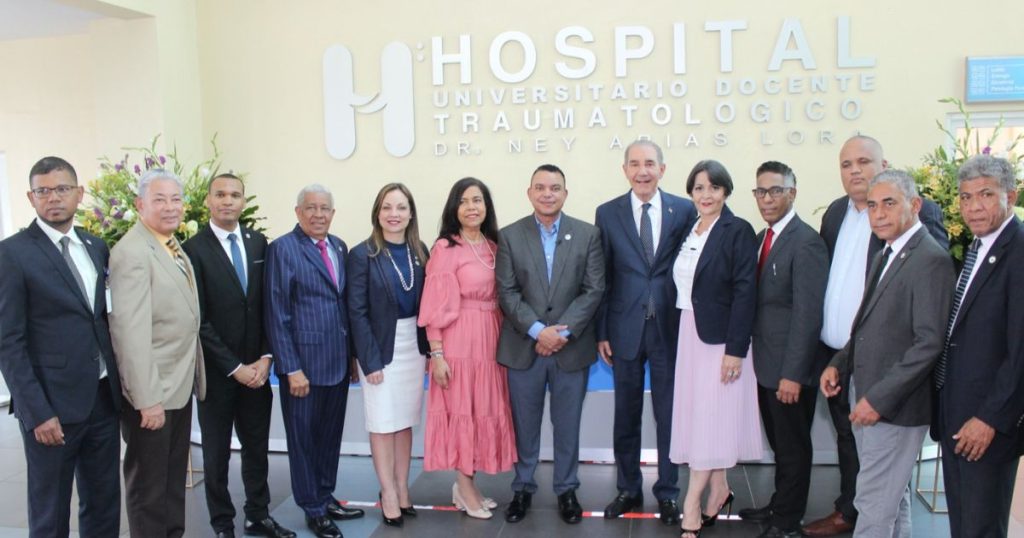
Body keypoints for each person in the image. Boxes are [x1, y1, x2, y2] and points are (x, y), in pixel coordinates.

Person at [810, 135, 948, 536]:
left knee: (872, 504)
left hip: (893, 405)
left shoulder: (930, 259)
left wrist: (878, 399)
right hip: (864, 387)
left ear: (915, 206)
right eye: (872, 205)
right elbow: (866, 322)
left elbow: (928, 343)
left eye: (889, 203)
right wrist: (838, 363)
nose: (879, 214)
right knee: (892, 499)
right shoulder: (886, 251)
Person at [0, 157, 122, 537]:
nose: (53, 198)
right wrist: (37, 412)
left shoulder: (96, 246)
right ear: (31, 198)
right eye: (43, 191)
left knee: (103, 503)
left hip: (102, 398)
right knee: (51, 512)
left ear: (79, 193)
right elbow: (8, 341)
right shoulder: (12, 253)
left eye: (62, 189)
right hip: (51, 406)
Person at [181, 173, 294, 538]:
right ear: (208, 201)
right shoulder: (192, 249)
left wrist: (265, 357)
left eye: (234, 195)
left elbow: (267, 305)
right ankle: (222, 524)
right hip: (218, 374)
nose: (227, 200)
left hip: (258, 371)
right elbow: (198, 319)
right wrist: (233, 367)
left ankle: (258, 515)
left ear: (243, 201)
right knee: (215, 455)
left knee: (256, 449)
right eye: (220, 194)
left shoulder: (258, 242)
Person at [495, 164, 606, 525]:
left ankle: (567, 489)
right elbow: (507, 292)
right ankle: (523, 488)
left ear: (565, 193)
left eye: (555, 188)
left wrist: (560, 333)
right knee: (524, 424)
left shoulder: (588, 234)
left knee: (567, 423)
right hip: (523, 347)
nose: (547, 194)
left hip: (570, 348)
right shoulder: (509, 236)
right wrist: (537, 330)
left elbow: (593, 289)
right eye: (540, 187)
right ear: (529, 193)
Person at [594, 140, 697, 526]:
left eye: (650, 163)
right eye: (635, 164)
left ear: (662, 169)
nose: (642, 171)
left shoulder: (684, 209)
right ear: (625, 170)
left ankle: (668, 492)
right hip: (624, 328)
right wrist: (602, 330)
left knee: (669, 415)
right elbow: (602, 275)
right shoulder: (607, 213)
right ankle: (628, 488)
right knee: (626, 414)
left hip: (670, 328)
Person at [109, 168, 208, 537]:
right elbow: (129, 334)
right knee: (149, 489)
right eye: (160, 200)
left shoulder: (170, 244)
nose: (170, 207)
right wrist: (147, 399)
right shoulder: (132, 252)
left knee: (171, 483)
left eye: (176, 199)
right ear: (140, 205)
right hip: (152, 394)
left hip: (177, 386)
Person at [668, 160, 763, 538]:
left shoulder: (737, 230)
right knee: (703, 419)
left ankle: (691, 504)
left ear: (726, 191)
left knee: (710, 420)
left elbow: (745, 292)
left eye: (714, 188)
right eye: (698, 188)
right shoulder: (689, 228)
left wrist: (736, 350)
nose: (706, 195)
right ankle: (720, 487)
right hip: (689, 333)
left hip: (721, 342)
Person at [264, 184, 364, 538]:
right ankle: (313, 508)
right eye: (311, 207)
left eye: (325, 208)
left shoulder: (339, 246)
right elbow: (277, 313)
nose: (318, 214)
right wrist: (291, 368)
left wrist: (352, 356)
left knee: (329, 438)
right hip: (302, 368)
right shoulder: (282, 249)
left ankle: (325, 495)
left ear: (332, 214)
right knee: (304, 440)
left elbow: (342, 306)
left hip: (337, 364)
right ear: (298, 212)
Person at [934, 155, 1024, 538]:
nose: (973, 207)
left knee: (981, 528)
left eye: (986, 195)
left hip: (987, 422)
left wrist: (990, 418)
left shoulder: (1019, 252)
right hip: (956, 412)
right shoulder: (976, 247)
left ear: (1011, 196)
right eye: (966, 197)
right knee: (963, 525)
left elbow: (1020, 353)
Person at [738, 161, 829, 538]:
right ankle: (779, 504)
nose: (767, 198)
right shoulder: (763, 237)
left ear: (792, 193)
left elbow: (808, 315)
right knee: (779, 443)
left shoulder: (806, 242)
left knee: (793, 447)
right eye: (761, 191)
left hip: (790, 369)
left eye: (775, 190)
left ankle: (787, 521)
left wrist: (793, 374)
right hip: (766, 364)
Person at [418, 177, 517, 520]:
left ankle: (467, 485)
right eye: (463, 201)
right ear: (454, 208)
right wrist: (437, 354)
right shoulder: (446, 248)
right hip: (458, 340)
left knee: (481, 410)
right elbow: (433, 306)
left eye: (477, 200)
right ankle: (464, 486)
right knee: (462, 410)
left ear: (487, 206)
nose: (471, 207)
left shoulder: (494, 246)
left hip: (491, 339)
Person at [346, 183, 430, 528]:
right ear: (377, 213)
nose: (394, 214)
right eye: (387, 207)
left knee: (404, 420)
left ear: (411, 214)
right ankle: (388, 492)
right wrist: (369, 360)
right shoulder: (361, 254)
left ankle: (402, 486)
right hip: (379, 346)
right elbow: (356, 312)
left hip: (413, 346)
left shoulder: (420, 251)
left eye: (401, 207)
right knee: (382, 423)